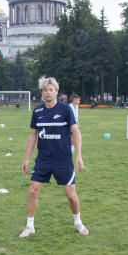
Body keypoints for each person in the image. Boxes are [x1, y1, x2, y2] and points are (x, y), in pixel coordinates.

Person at [20, 77, 88, 237]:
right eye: (45, 90)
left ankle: (78, 222)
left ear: (56, 92)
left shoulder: (65, 110)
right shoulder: (37, 112)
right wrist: (27, 158)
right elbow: (33, 135)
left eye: (51, 89)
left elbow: (76, 132)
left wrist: (78, 155)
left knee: (71, 196)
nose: (48, 92)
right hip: (43, 159)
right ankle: (29, 226)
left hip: (63, 160)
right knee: (32, 191)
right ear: (42, 93)